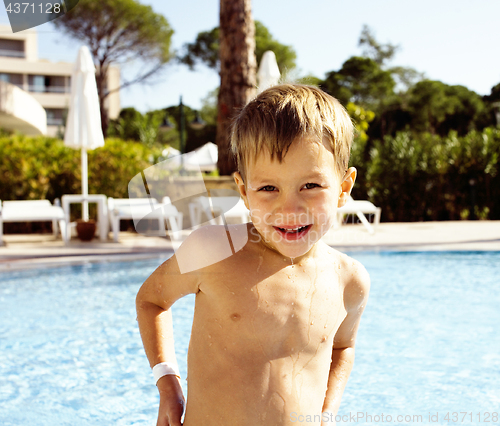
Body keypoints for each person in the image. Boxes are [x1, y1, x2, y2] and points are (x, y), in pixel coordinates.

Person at [136, 84, 370, 426]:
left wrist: (328, 412)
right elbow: (151, 300)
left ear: (343, 189)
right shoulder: (213, 251)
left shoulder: (349, 280)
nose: (289, 207)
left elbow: (342, 348)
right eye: (268, 188)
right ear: (244, 192)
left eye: (311, 186)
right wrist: (167, 381)